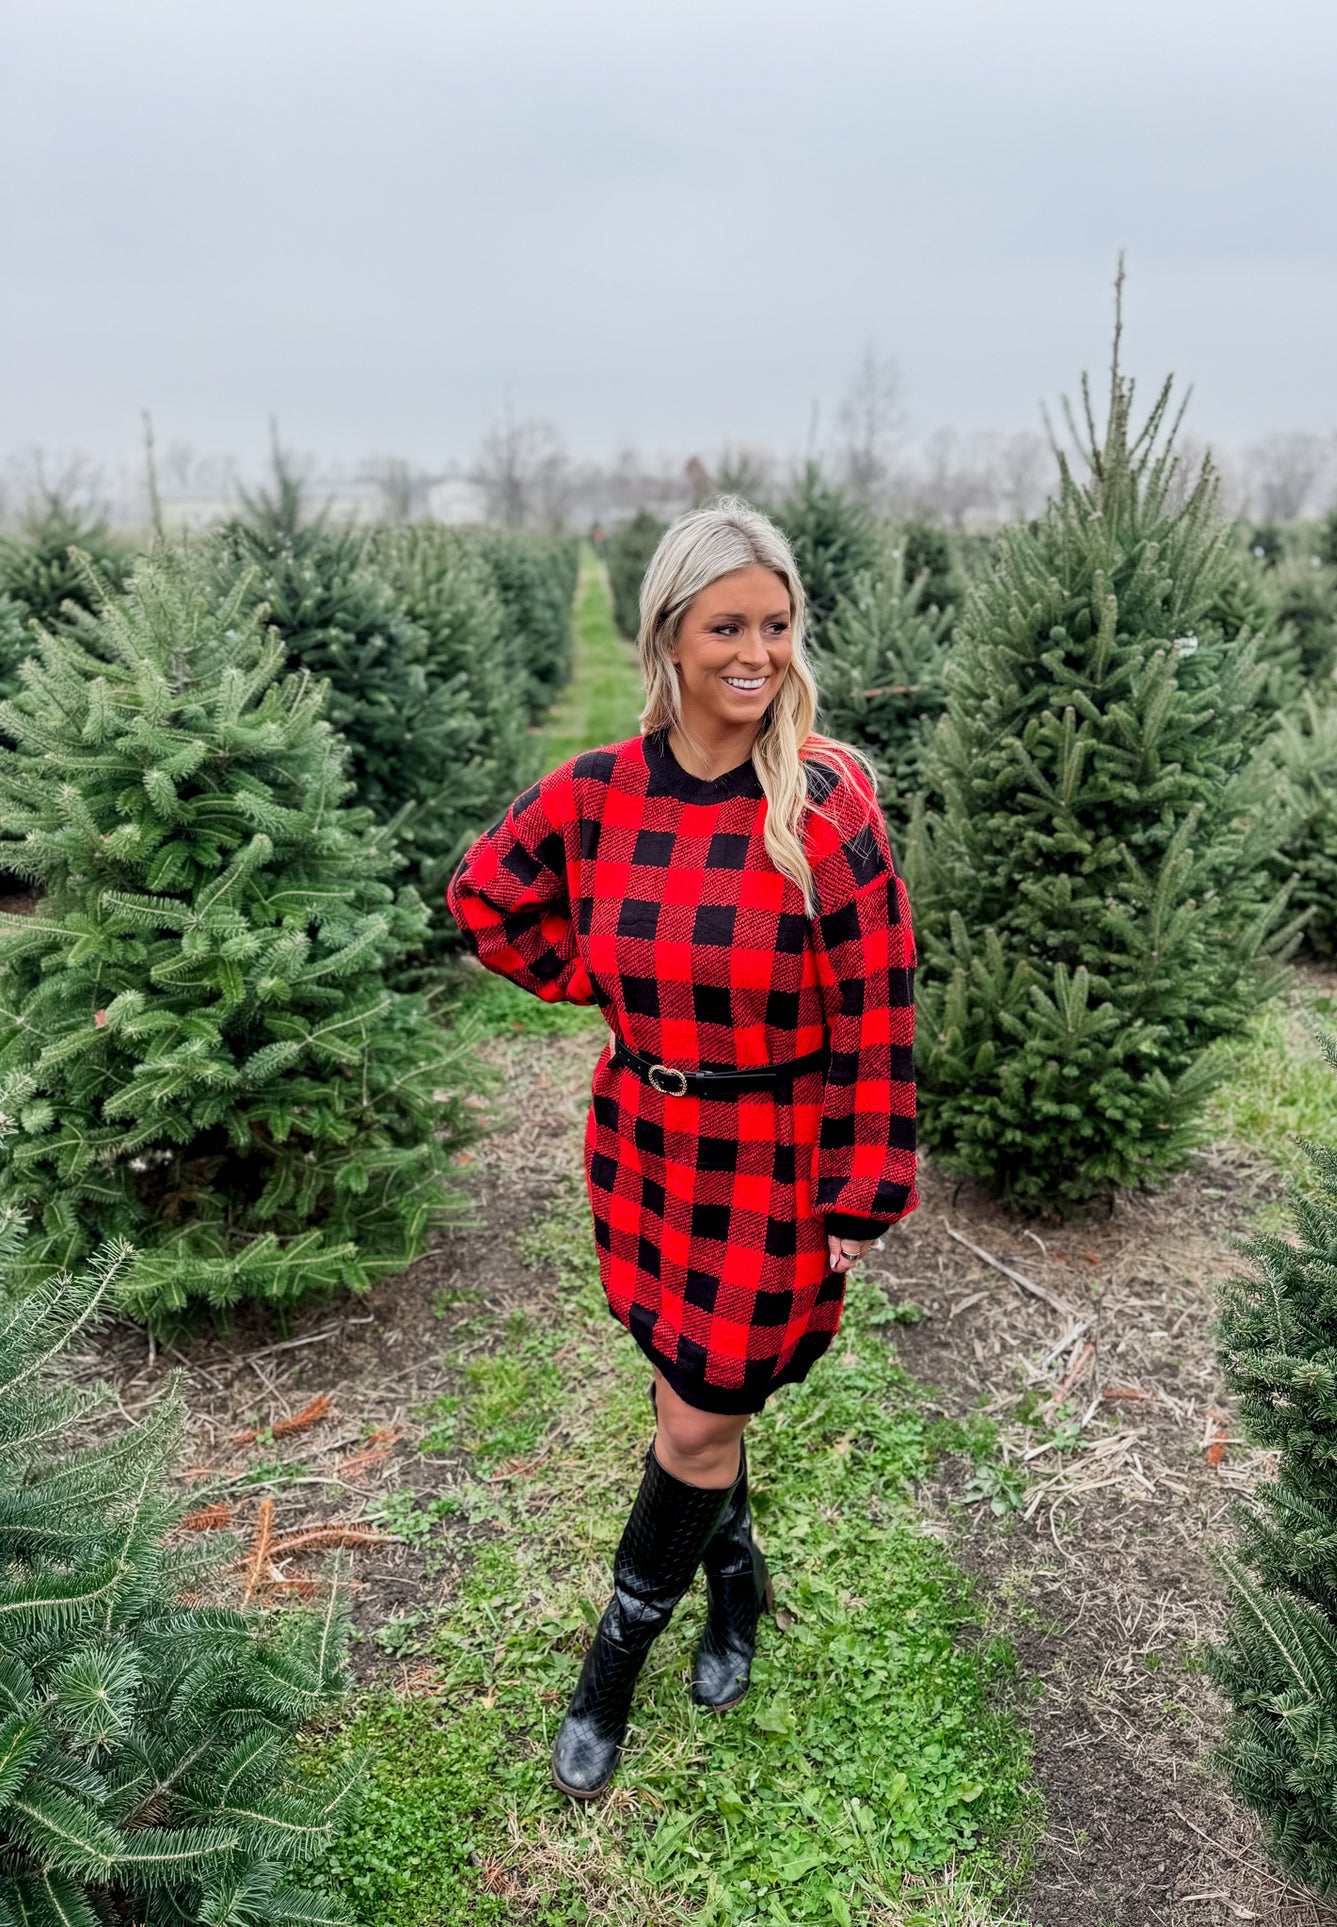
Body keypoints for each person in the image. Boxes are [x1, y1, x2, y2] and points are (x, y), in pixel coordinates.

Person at [448, 498, 918, 1800]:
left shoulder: (823, 803)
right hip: (647, 1147)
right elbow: (484, 899)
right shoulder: (598, 793)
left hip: (771, 1159)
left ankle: (611, 1662)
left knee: (699, 1414)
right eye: (726, 627)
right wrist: (605, 983)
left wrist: (861, 1190)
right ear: (667, 635)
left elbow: (878, 1009)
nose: (756, 653)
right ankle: (737, 1573)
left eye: (775, 625)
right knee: (689, 1398)